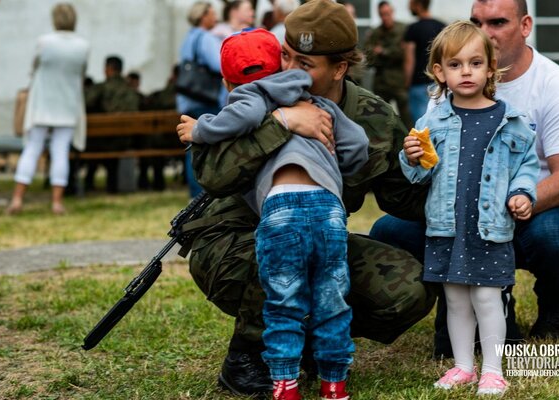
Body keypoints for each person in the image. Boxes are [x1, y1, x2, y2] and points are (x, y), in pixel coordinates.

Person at [179, 0, 435, 397]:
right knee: (284, 250)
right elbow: (211, 174)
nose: (290, 70)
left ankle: (312, 344)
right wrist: (281, 124)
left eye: (306, 63)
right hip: (232, 243)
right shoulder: (260, 95)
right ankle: (247, 356)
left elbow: (401, 197)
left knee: (407, 289)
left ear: (340, 67)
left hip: (320, 236)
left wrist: (441, 170)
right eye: (287, 56)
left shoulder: (372, 117)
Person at [371, 0, 559, 358]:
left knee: (556, 237)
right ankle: (467, 300)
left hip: (530, 209)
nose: (484, 32)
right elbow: (427, 168)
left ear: (525, 25)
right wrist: (414, 160)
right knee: (388, 231)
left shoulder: (552, 84)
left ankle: (556, 306)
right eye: (476, 21)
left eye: (498, 22)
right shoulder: (444, 96)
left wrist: (506, 204)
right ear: (441, 71)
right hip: (459, 213)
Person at [179, 28, 369, 400]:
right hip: (328, 206)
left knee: (283, 301)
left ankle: (285, 385)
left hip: (282, 208)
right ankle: (334, 385)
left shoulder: (248, 99)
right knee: (332, 297)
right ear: (283, 62)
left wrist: (199, 128)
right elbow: (359, 146)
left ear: (227, 82)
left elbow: (235, 120)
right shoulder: (317, 102)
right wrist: (335, 167)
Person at [401, 20, 538, 395]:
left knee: (486, 296)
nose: (466, 72)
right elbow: (418, 175)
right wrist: (411, 158)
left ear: (491, 68)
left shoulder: (510, 121)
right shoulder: (432, 122)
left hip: (489, 227)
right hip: (448, 226)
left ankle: (493, 370)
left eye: (476, 63)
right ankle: (463, 366)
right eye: (456, 64)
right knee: (456, 298)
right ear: (439, 72)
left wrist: (523, 193)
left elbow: (526, 164)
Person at [6, 3, 89, 215]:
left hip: (42, 103)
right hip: (68, 105)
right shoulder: (83, 46)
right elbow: (81, 73)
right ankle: (56, 202)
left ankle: (17, 199)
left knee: (32, 149)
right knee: (60, 152)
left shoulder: (44, 42)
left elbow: (33, 68)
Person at [177, 1, 224, 198]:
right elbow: (219, 64)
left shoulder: (189, 37)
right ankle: (203, 192)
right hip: (205, 99)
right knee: (206, 147)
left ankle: (195, 192)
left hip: (189, 99)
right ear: (203, 16)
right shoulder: (205, 38)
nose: (216, 18)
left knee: (193, 147)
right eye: (213, 14)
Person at [84, 55, 140, 193]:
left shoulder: (102, 88)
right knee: (109, 142)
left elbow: (86, 102)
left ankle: (87, 183)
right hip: (128, 140)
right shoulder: (130, 88)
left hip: (105, 141)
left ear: (108, 69)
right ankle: (111, 185)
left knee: (92, 142)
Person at [364, 1, 413, 129]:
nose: (385, 17)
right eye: (382, 15)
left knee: (406, 117)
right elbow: (369, 58)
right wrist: (386, 54)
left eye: (387, 14)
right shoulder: (375, 33)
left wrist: (383, 52)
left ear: (392, 12)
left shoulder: (403, 30)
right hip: (381, 82)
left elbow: (404, 54)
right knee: (380, 117)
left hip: (399, 81)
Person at [403, 0, 445, 123]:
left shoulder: (412, 29)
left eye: (410, 3)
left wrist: (406, 83)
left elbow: (409, 59)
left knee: (422, 124)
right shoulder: (442, 26)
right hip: (439, 82)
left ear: (418, 4)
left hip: (418, 84)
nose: (408, 7)